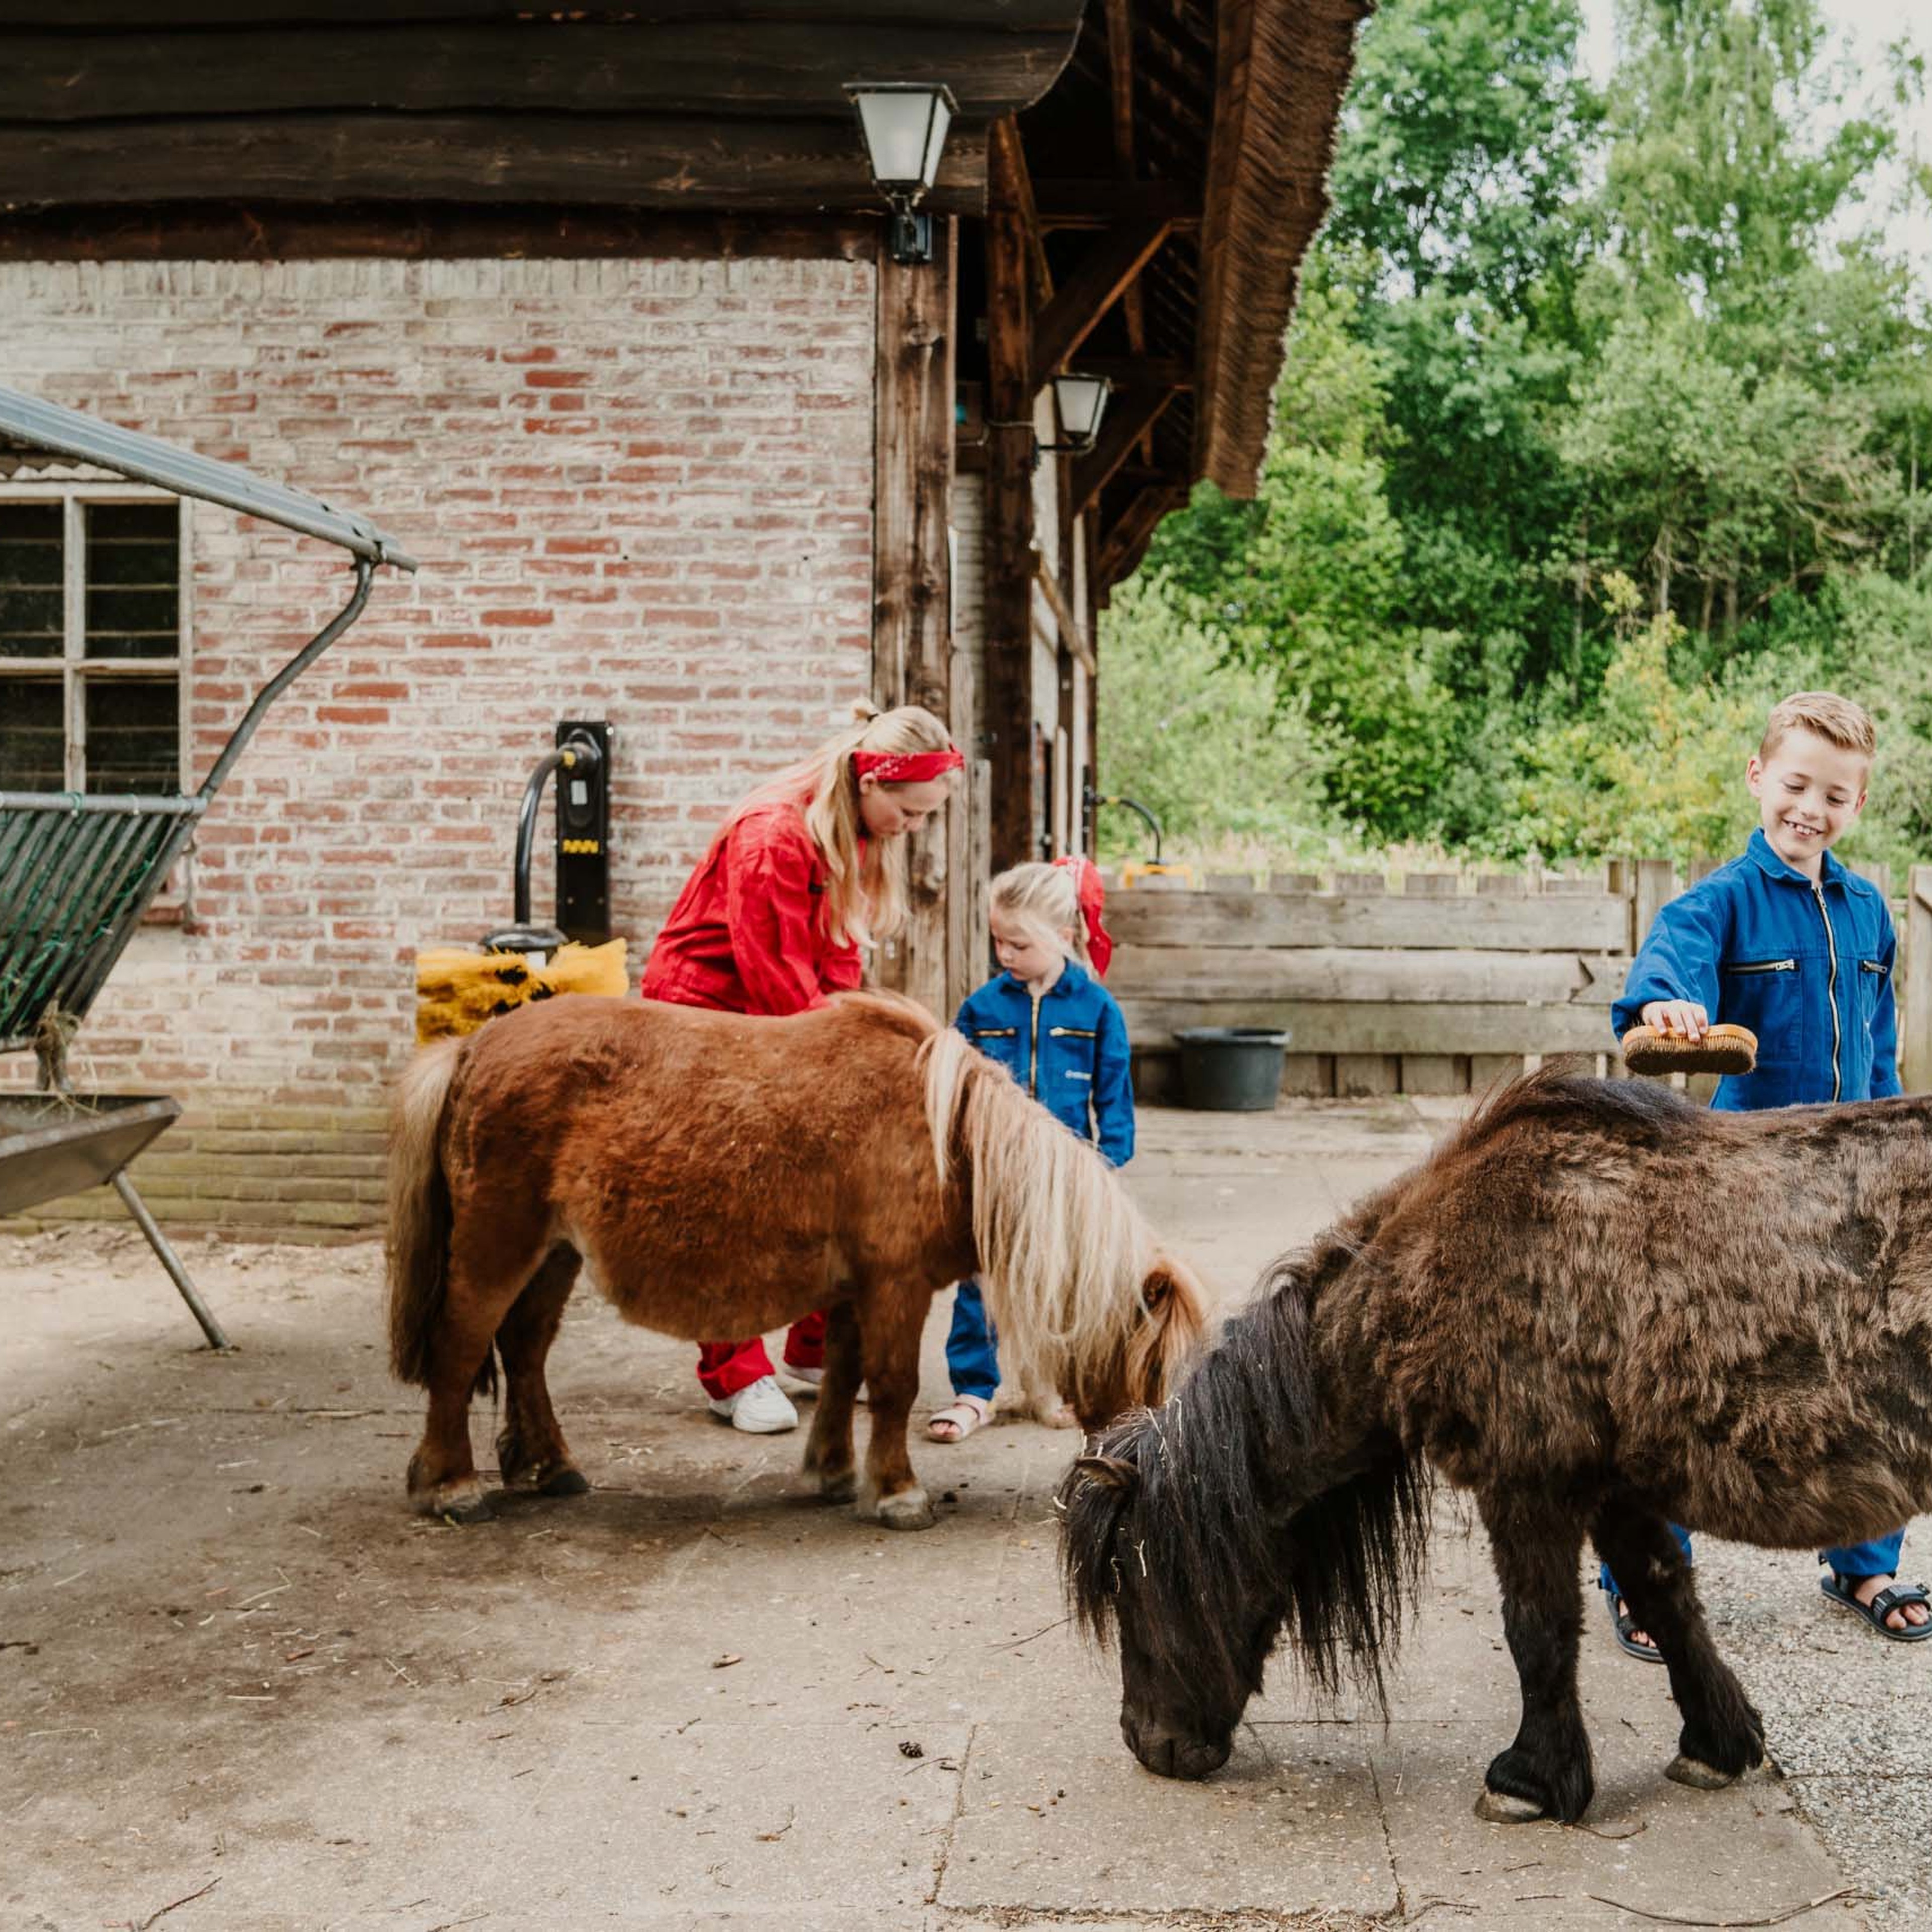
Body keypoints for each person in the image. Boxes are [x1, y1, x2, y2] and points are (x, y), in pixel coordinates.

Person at [1603, 690, 1929, 1653]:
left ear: (1857, 806)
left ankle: (1867, 1563)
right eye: (1796, 785)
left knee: (1878, 1370)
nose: (1811, 810)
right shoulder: (1719, 903)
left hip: (1857, 1190)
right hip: (1741, 1192)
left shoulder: (1871, 913)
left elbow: (1879, 1053)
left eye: (1836, 796)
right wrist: (1668, 1010)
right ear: (1759, 777)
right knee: (1689, 1382)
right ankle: (1648, 1577)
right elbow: (1673, 967)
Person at [640, 703, 961, 1433]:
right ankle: (732, 1373)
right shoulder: (773, 839)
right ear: (873, 781)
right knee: (730, 1195)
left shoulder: (853, 829)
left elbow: (836, 958)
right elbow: (777, 981)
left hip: (779, 1006)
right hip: (707, 1014)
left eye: (924, 818)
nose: (913, 830)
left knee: (827, 1177)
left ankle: (813, 1345)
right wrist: (855, 1055)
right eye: (909, 813)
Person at [925, 857, 1131, 1442]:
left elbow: (1115, 1093)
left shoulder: (1096, 1009)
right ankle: (974, 1390)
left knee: (1059, 1282)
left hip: (1067, 1176)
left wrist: (1107, 1161)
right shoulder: (982, 1007)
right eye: (999, 941)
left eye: (1018, 943)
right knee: (980, 1279)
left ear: (1062, 938)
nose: (1005, 955)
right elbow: (955, 1088)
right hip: (993, 1172)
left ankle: (1051, 1385)